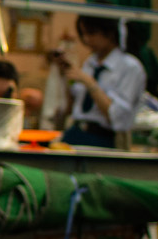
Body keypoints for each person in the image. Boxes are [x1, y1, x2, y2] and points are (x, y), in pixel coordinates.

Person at [51, 15, 144, 147]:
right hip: (75, 132)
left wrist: (90, 83)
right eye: (83, 34)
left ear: (109, 33)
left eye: (91, 33)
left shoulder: (130, 67)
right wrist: (66, 75)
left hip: (102, 138)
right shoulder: (91, 62)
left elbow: (117, 117)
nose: (87, 39)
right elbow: (73, 105)